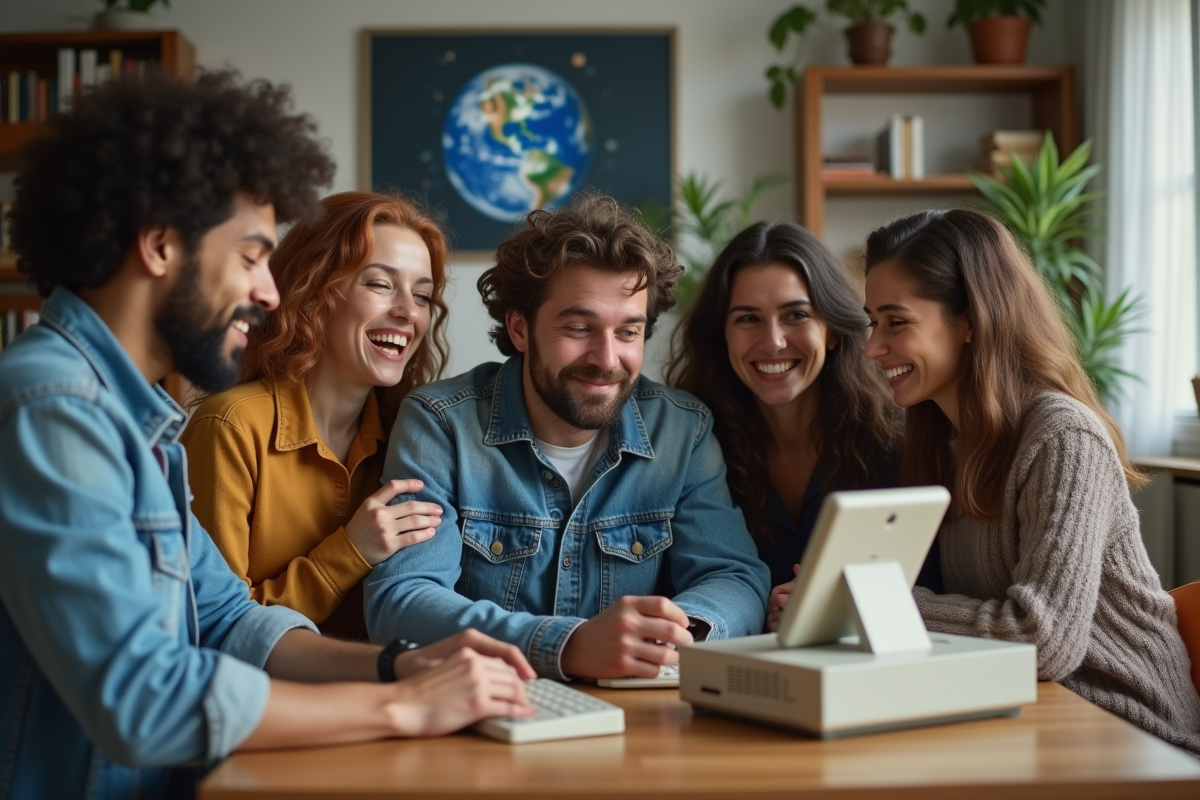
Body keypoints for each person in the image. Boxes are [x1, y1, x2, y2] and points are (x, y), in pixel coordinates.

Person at [0, 70, 532, 800]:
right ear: (159, 245)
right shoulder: (53, 407)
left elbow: (228, 619)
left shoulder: (133, 420)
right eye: (251, 255)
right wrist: (404, 706)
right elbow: (140, 697)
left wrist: (402, 663)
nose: (269, 292)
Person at [364, 195, 771, 680]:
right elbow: (402, 601)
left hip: (639, 724)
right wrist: (567, 645)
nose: (606, 358)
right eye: (579, 328)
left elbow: (734, 576)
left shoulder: (682, 430)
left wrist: (674, 635)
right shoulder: (441, 423)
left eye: (628, 333)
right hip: (484, 721)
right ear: (520, 328)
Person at [861, 208, 1200, 754]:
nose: (873, 347)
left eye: (896, 322)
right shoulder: (946, 442)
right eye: (871, 322)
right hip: (1029, 718)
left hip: (1136, 732)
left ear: (971, 319)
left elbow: (1040, 639)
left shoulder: (1063, 437)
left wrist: (877, 605)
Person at [181, 191, 449, 640]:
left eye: (422, 296)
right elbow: (213, 629)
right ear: (313, 291)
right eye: (381, 284)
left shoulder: (418, 437)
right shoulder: (229, 426)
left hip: (385, 693)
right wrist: (350, 552)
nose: (408, 312)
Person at [664, 222, 938, 633]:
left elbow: (936, 585)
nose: (773, 342)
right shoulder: (693, 447)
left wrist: (841, 611)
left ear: (831, 330)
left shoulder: (902, 438)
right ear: (722, 335)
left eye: (796, 315)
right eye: (747, 319)